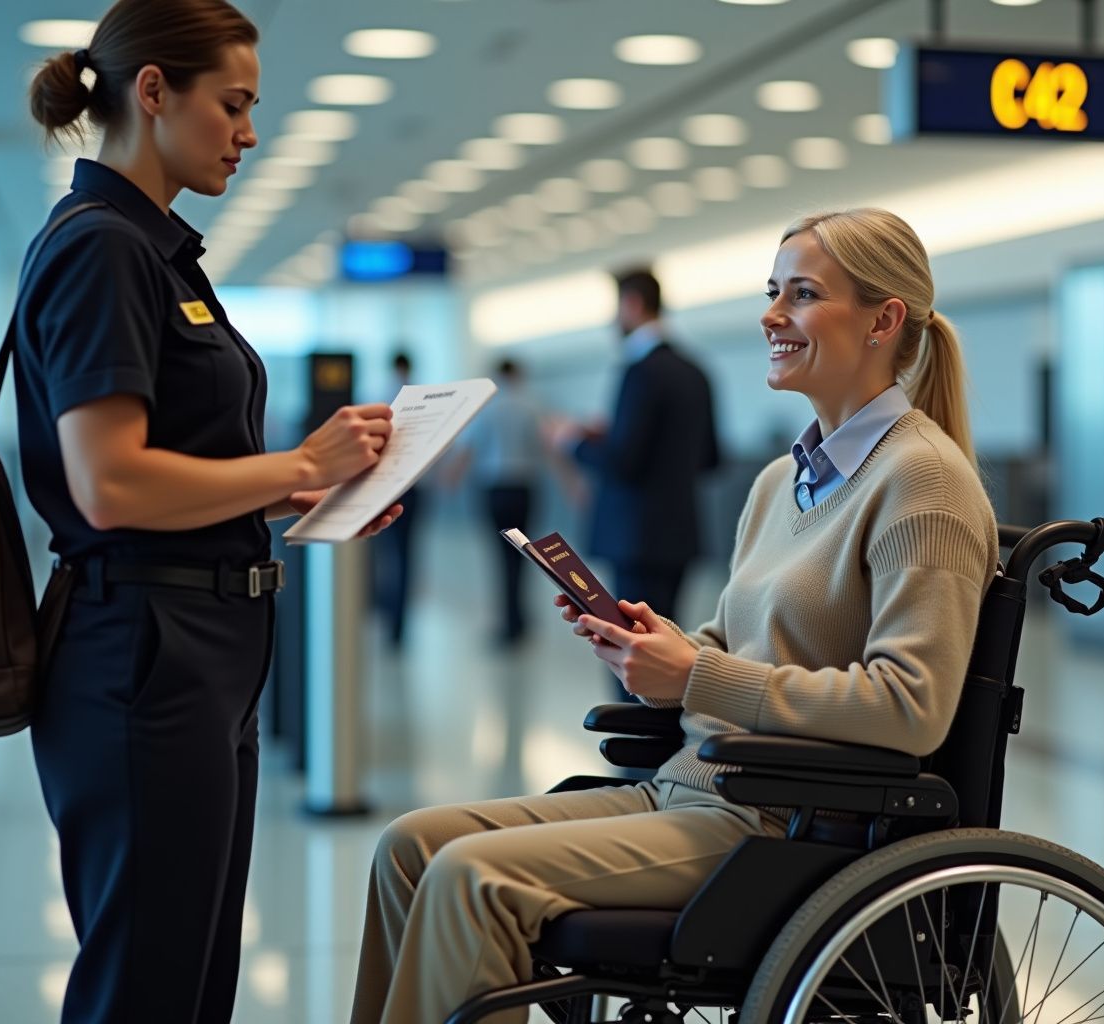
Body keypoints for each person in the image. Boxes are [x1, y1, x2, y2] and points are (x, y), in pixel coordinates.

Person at [350, 208, 998, 1024]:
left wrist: (700, 673)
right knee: (409, 847)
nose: (771, 315)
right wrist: (661, 654)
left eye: (801, 294)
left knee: (470, 877)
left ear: (884, 320)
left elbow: (912, 706)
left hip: (782, 824)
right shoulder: (780, 483)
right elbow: (734, 651)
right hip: (690, 789)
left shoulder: (923, 483)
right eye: (772, 292)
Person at [20, 2, 400, 1019]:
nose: (248, 130)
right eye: (232, 104)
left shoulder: (155, 252)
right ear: (154, 93)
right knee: (147, 980)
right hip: (144, 657)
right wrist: (290, 465)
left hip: (201, 647)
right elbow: (112, 483)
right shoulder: (101, 248)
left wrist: (310, 498)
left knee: (190, 974)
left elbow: (174, 484)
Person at [553, 268, 719, 678]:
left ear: (632, 304)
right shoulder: (696, 371)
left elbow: (623, 462)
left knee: (629, 652)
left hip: (636, 537)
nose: (614, 322)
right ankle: (667, 738)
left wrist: (573, 442)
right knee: (671, 646)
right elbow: (710, 456)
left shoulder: (640, 371)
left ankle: (634, 740)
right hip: (680, 532)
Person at [446, 359, 566, 645]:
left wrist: (450, 478)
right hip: (524, 489)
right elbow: (550, 449)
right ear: (519, 375)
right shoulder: (533, 405)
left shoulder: (487, 408)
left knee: (500, 556)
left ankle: (508, 621)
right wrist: (571, 484)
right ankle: (520, 619)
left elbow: (468, 449)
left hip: (494, 489)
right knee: (526, 554)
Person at [373, 350, 424, 648]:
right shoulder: (423, 396)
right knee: (406, 556)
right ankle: (399, 626)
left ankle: (386, 616)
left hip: (384, 487)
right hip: (413, 488)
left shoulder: (379, 396)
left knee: (385, 554)